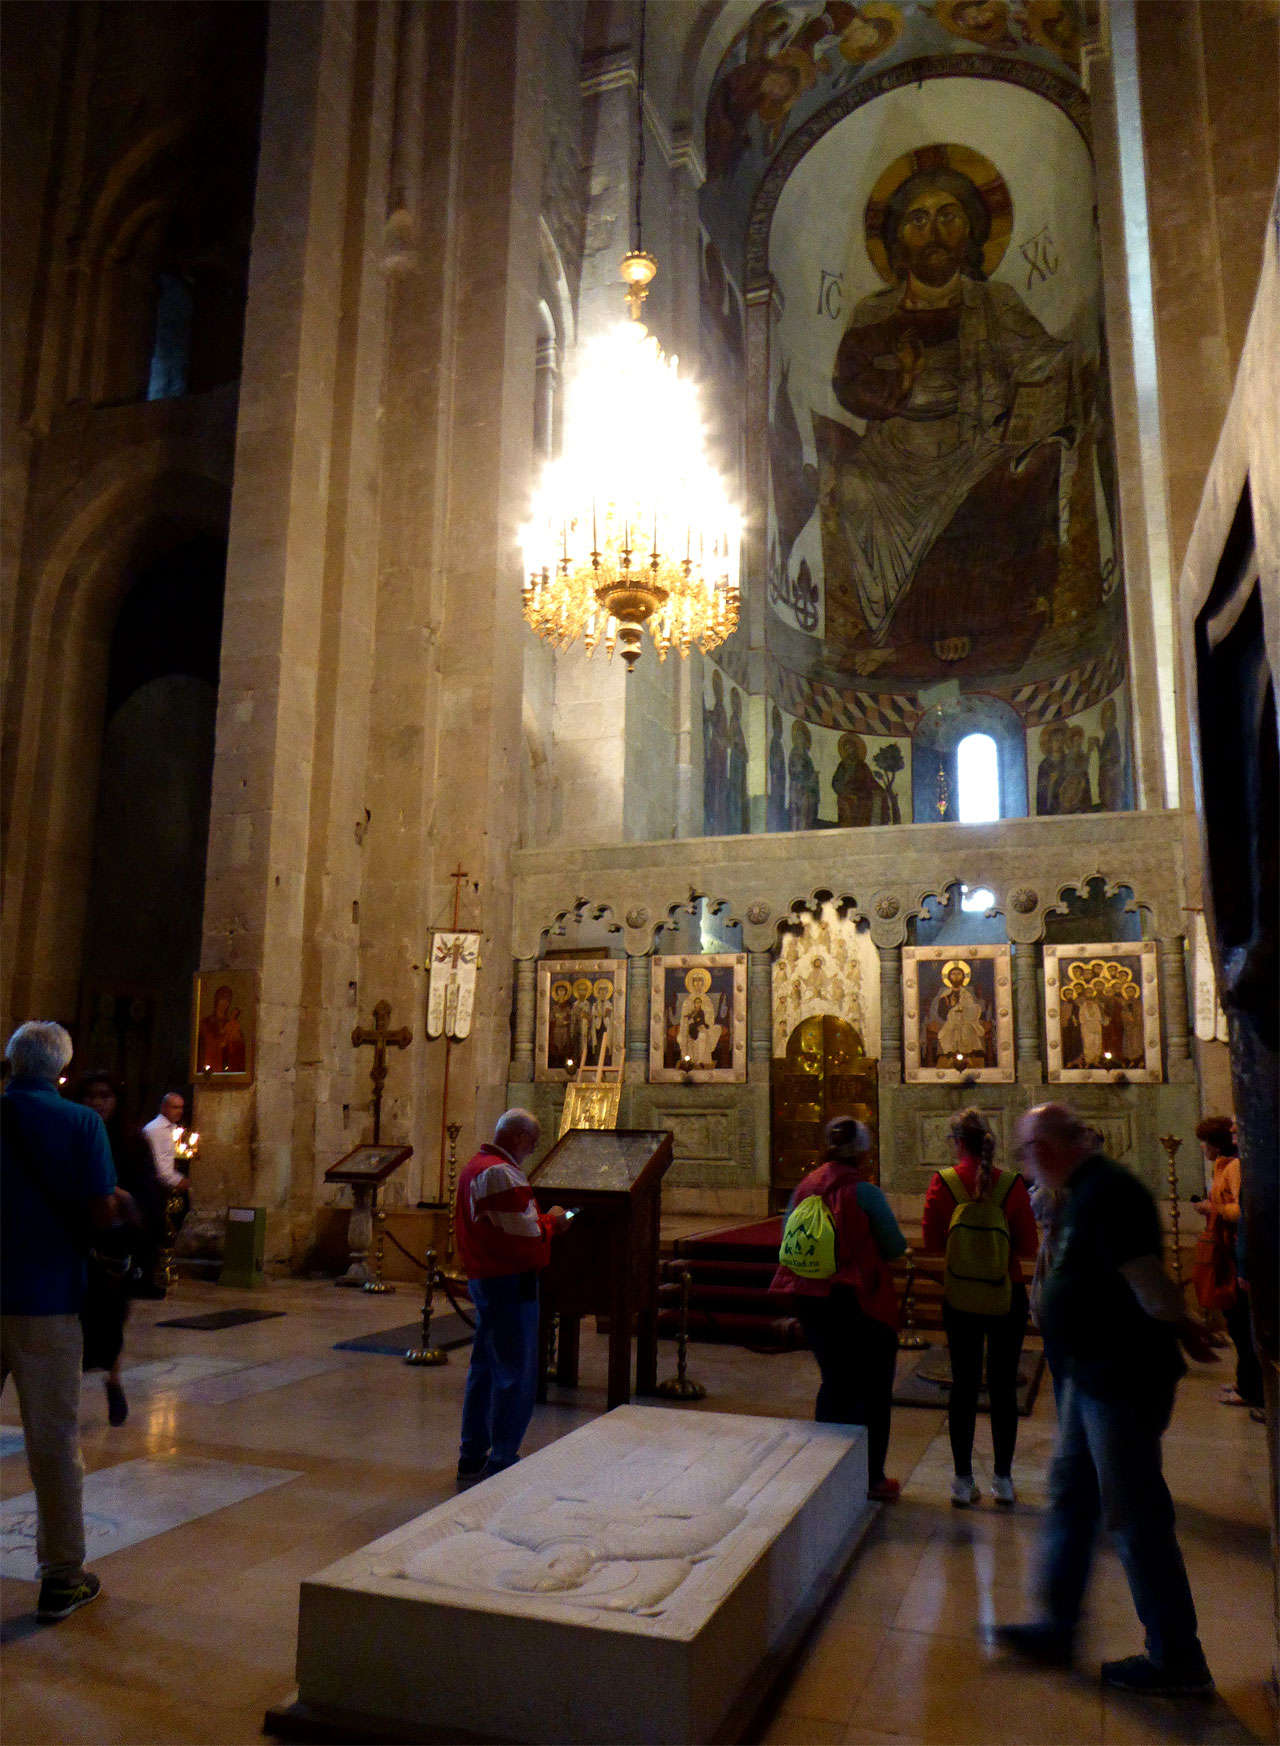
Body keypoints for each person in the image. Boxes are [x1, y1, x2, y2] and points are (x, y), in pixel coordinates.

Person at [998, 1103, 1216, 1697]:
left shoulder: (1108, 1192)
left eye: (1028, 1149)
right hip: (1088, 1376)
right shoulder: (1084, 1190)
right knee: (1071, 1496)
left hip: (1120, 1378)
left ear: (1051, 1146)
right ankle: (1057, 1625)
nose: (1025, 1162)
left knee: (1135, 1515)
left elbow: (1146, 1280)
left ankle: (1177, 1659)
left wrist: (1180, 1324)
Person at [0, 1022, 132, 1623]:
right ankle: (61, 1577)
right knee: (52, 1441)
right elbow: (102, 1212)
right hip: (47, 1299)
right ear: (62, 1070)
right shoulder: (81, 1123)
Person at [771, 1116, 907, 1502]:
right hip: (860, 1302)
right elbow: (895, 1246)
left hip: (813, 1301)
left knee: (834, 1382)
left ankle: (825, 1471)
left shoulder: (805, 1186)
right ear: (864, 1152)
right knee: (874, 1390)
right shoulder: (864, 1193)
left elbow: (788, 1238)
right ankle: (871, 1477)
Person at [922, 1109, 1038, 1507]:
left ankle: (961, 1480)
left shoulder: (945, 1182)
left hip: (961, 1296)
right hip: (1006, 1293)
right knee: (1004, 1388)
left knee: (964, 1386)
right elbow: (1028, 1247)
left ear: (957, 1142)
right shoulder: (1011, 1184)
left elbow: (933, 1243)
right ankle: (1003, 1480)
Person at [454, 1109, 568, 1489]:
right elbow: (526, 1237)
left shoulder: (477, 1165)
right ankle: (502, 1458)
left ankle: (472, 1454)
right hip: (508, 1282)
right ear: (518, 1138)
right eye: (532, 1145)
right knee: (514, 1374)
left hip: (488, 1278)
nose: (531, 1152)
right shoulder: (498, 1172)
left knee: (485, 1368)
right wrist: (554, 1221)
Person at [74, 1072, 164, 1425]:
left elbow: (148, 1192)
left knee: (111, 1318)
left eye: (105, 1095)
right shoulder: (75, 1133)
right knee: (79, 1318)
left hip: (117, 1243)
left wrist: (124, 1198)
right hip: (83, 1236)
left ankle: (113, 1379)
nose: (97, 1103)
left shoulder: (131, 1140)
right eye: (90, 1096)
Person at [1193, 1116, 1261, 1410]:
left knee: (1242, 1325)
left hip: (1234, 1252)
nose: (1201, 1148)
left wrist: (1214, 1209)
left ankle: (1251, 1388)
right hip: (1230, 1250)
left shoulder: (1233, 1167)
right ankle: (1243, 1381)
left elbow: (1242, 1210)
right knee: (1236, 1324)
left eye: (1204, 1142)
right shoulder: (1223, 1166)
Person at [143, 1088, 191, 1241]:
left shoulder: (174, 1129)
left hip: (171, 1185)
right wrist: (178, 1181)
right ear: (163, 1107)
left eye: (181, 1107)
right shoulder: (155, 1130)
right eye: (175, 1107)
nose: (179, 1111)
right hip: (158, 1187)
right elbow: (156, 1164)